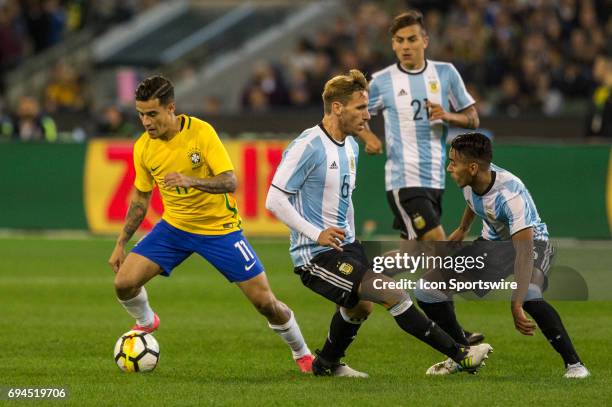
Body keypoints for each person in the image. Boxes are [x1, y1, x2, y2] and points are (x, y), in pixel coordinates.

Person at [265, 69, 492, 377]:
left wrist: (352, 243)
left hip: (346, 247)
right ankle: (461, 354)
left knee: (361, 307)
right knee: (392, 293)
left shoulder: (351, 146)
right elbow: (274, 199)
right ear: (337, 107)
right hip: (315, 256)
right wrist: (315, 233)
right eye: (360, 108)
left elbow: (344, 203)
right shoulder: (308, 146)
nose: (368, 114)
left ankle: (327, 364)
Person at [108, 75, 313, 373]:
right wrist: (120, 242)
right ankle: (146, 322)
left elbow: (230, 181)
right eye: (140, 114)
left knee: (265, 302)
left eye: (152, 114)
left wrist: (190, 180)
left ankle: (303, 353)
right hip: (174, 228)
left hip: (219, 230)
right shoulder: (143, 147)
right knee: (123, 283)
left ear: (170, 109)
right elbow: (140, 198)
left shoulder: (201, 133)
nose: (146, 122)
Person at [357, 9, 483, 346]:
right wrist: (368, 137)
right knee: (440, 249)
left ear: (425, 40)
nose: (406, 46)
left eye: (412, 39)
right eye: (399, 41)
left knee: (412, 256)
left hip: (435, 180)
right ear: (393, 45)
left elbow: (473, 117)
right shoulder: (382, 80)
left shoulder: (445, 73)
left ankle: (364, 277)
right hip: (403, 179)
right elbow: (356, 113)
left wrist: (449, 115)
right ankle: (456, 337)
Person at [419, 132, 589, 379]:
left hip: (533, 244)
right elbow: (474, 202)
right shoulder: (471, 178)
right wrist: (463, 229)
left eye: (453, 162)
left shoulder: (510, 194)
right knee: (427, 291)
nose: (449, 168)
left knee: (530, 295)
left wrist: (516, 302)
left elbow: (524, 252)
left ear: (473, 167)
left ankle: (575, 365)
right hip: (494, 245)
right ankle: (463, 353)